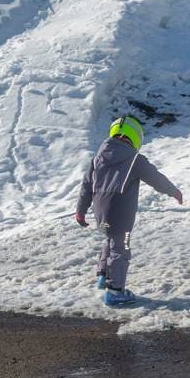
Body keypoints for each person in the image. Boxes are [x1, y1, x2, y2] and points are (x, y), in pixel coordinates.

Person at [74, 115, 182, 306]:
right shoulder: (134, 159)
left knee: (109, 239)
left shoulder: (97, 159)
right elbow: (155, 178)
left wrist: (80, 210)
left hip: (100, 210)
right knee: (121, 247)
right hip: (120, 211)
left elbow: (86, 186)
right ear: (134, 137)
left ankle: (103, 275)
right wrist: (173, 191)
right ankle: (115, 291)